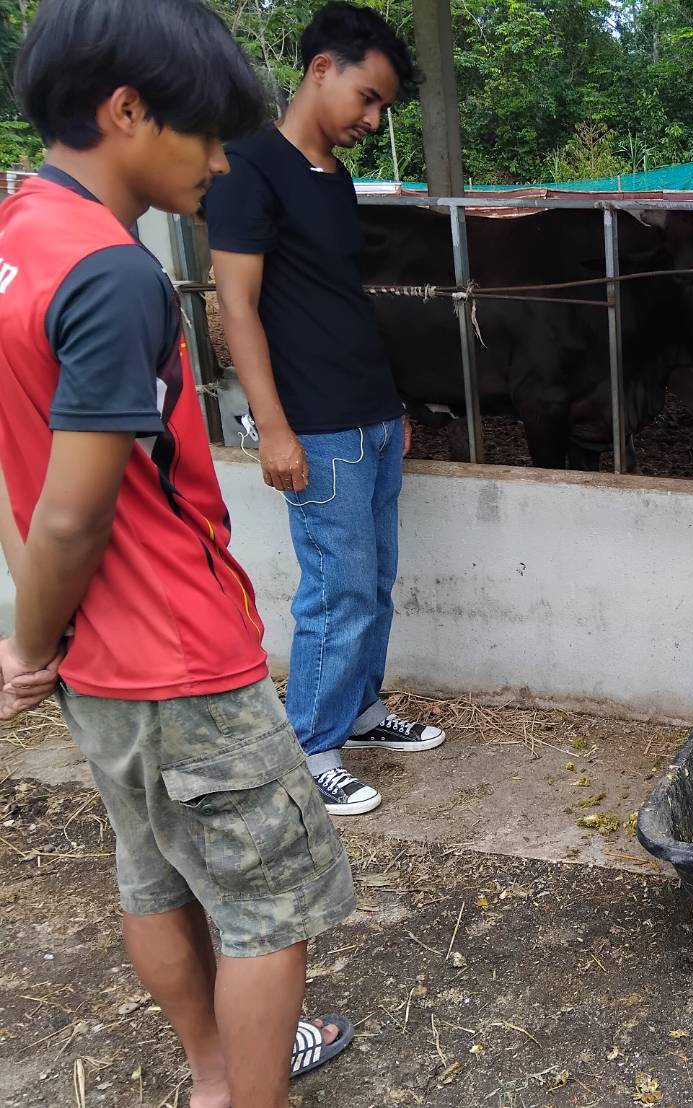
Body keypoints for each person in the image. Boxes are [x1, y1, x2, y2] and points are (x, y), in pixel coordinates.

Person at [0, 2, 358, 1105]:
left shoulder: (16, 237)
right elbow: (73, 515)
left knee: (153, 874)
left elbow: (23, 472)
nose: (218, 161)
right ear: (124, 111)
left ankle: (213, 1078)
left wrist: (46, 634)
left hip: (101, 663)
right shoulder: (115, 275)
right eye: (204, 135)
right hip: (181, 657)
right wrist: (21, 645)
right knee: (270, 904)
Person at [205, 3, 441, 817]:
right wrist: (273, 426)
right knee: (336, 589)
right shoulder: (248, 169)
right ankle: (310, 745)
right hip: (315, 422)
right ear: (320, 70)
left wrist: (392, 404)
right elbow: (236, 307)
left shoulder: (330, 178)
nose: (371, 120)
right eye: (367, 98)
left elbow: (342, 301)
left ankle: (362, 712)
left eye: (382, 106)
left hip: (368, 413)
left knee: (374, 578)